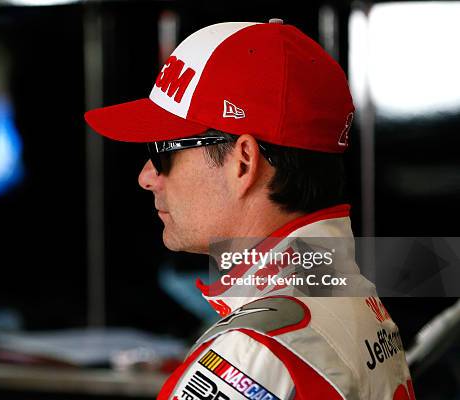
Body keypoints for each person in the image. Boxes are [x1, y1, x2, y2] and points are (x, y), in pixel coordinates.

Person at [85, 20, 414, 400]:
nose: (147, 177)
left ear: (243, 162)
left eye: (162, 152)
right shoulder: (350, 297)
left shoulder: (250, 354)